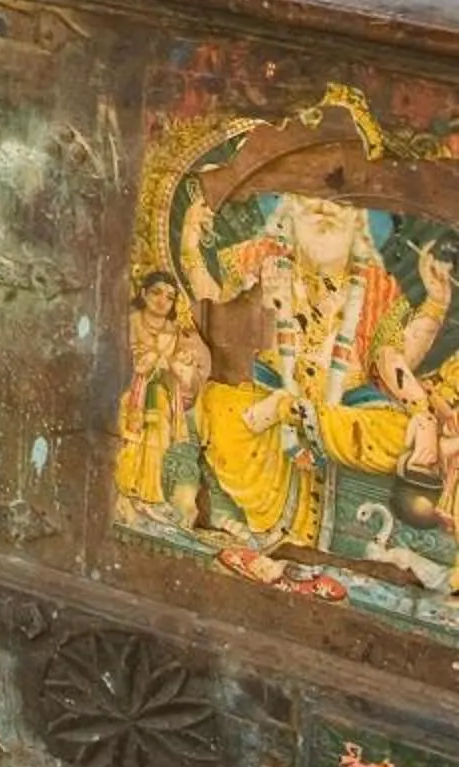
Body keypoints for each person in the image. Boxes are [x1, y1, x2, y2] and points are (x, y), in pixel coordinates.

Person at [180, 182, 455, 581]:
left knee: (399, 432)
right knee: (221, 408)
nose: (324, 210)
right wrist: (194, 248)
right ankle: (265, 528)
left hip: (342, 410)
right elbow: (213, 314)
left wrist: (436, 303)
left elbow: (393, 360)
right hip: (265, 388)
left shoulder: (378, 287)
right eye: (311, 201)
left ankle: (293, 413)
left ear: (359, 224)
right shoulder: (258, 260)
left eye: (339, 207)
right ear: (287, 213)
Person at [115, 267, 210, 523]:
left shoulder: (173, 331)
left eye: (170, 297)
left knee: (158, 444)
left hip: (160, 394)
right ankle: (125, 492)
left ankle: (150, 497)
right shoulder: (132, 321)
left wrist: (181, 362)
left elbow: (182, 371)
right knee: (131, 441)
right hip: (130, 390)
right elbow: (130, 360)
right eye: (156, 293)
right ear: (143, 293)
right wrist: (152, 360)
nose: (162, 301)